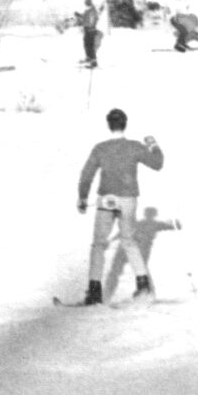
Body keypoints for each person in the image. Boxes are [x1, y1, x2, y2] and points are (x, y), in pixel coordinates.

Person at [75, 107, 165, 305]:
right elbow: (157, 164)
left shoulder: (100, 148)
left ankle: (95, 291)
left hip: (106, 197)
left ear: (109, 125)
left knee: (98, 244)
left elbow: (86, 174)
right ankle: (143, 286)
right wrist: (153, 145)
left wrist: (82, 197)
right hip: (128, 199)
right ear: (125, 124)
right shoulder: (134, 147)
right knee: (129, 241)